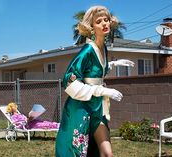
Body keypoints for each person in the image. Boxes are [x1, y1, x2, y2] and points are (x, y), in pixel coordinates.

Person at [55, 5, 134, 157]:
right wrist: (104, 91)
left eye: (106, 20)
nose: (105, 23)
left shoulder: (103, 47)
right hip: (81, 107)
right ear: (91, 27)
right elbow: (69, 81)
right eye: (99, 21)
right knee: (79, 152)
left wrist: (114, 64)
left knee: (107, 153)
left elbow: (95, 72)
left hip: (97, 106)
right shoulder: (87, 50)